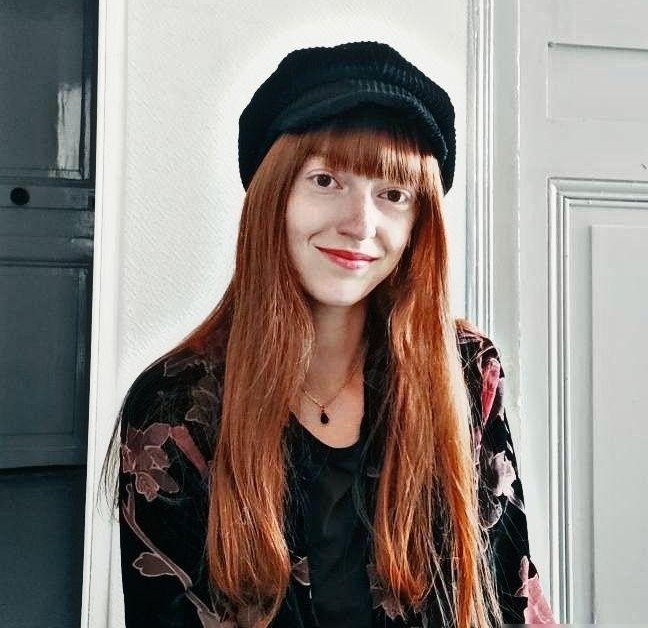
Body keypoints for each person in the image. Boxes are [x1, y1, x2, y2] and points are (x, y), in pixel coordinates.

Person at [113, 41, 554, 627]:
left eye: (393, 194)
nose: (360, 225)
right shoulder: (174, 405)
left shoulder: (469, 374)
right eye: (326, 180)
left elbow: (512, 598)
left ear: (418, 222)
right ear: (274, 197)